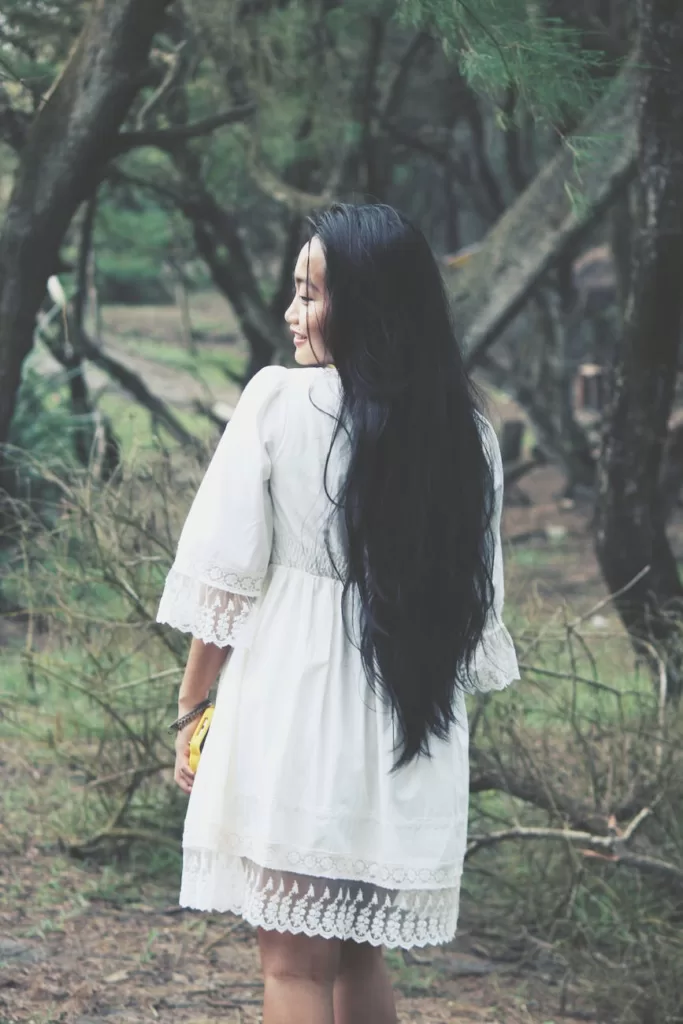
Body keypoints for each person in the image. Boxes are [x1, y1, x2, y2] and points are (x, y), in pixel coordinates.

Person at [157, 203, 519, 1024]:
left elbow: (223, 582)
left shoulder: (279, 403)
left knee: (290, 964)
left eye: (311, 294)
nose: (291, 313)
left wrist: (191, 712)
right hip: (404, 721)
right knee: (356, 954)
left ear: (368, 303)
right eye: (295, 291)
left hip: (294, 708)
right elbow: (476, 617)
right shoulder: (465, 432)